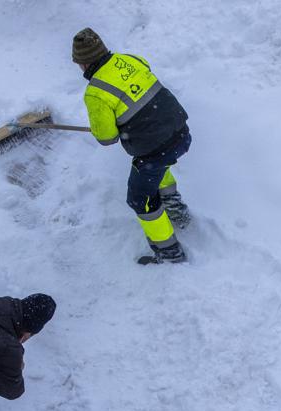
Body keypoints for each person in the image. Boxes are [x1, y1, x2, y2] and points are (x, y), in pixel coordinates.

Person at [72, 27, 193, 265]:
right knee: (158, 164)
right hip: (180, 132)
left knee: (141, 198)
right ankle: (175, 208)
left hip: (156, 147)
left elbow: (107, 138)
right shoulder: (130, 60)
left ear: (83, 64)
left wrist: (110, 125)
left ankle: (169, 252)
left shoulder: (95, 93)